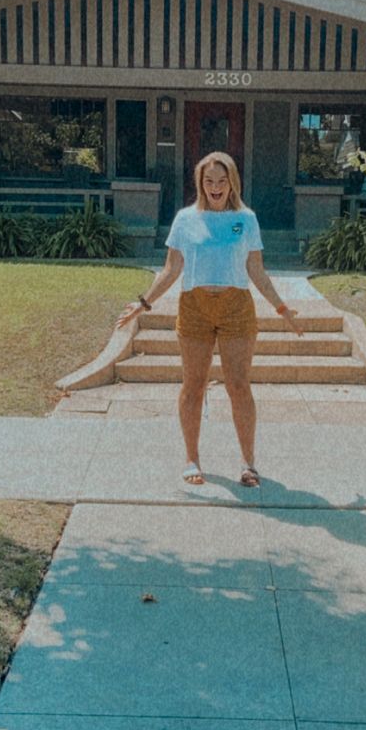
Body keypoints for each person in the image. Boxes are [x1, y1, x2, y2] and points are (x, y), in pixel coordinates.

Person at [117, 151, 304, 487]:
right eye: (209, 180)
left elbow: (256, 271)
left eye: (222, 180)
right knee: (194, 385)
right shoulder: (185, 219)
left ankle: (249, 464)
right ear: (200, 183)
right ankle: (192, 459)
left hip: (236, 308)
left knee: (238, 385)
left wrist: (281, 308)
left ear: (232, 181)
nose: (216, 187)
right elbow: (172, 269)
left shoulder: (246, 219)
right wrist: (142, 303)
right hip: (195, 307)